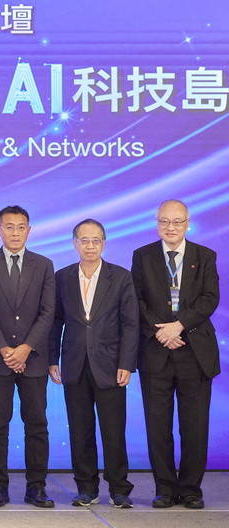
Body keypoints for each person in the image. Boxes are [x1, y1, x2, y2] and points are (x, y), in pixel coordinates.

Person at [132, 199, 220, 509]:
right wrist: (161, 332)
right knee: (158, 426)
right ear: (157, 223)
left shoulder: (204, 256)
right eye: (165, 221)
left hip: (195, 352)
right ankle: (165, 488)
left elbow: (210, 298)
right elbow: (136, 300)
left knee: (194, 425)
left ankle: (192, 489)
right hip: (156, 351)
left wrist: (179, 326)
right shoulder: (142, 256)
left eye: (177, 221)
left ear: (187, 224)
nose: (171, 227)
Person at [48, 219, 138, 508]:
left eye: (95, 240)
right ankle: (86, 488)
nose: (90, 246)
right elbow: (55, 321)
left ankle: (119, 489)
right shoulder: (62, 277)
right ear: (75, 243)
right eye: (84, 240)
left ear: (104, 243)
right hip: (74, 364)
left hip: (111, 365)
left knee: (114, 430)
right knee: (80, 430)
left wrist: (127, 362)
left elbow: (131, 324)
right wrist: (52, 358)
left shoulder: (120, 277)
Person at [0, 205, 55, 508]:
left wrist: (26, 348)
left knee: (37, 425)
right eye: (9, 227)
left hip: (34, 359)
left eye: (21, 227)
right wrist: (6, 350)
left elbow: (48, 312)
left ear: (29, 231)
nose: (15, 233)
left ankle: (37, 487)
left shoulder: (44, 265)